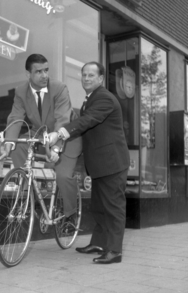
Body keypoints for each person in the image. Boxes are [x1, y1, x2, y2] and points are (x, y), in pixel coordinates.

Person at [48, 62, 130, 264]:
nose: (86, 78)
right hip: (101, 164)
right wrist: (60, 147)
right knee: (99, 207)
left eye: (91, 75)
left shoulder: (104, 98)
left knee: (113, 207)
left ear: (100, 79)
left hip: (112, 163)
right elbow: (84, 130)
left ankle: (114, 251)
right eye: (84, 75)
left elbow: (86, 122)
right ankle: (100, 243)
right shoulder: (89, 100)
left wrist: (60, 132)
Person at [0, 53, 82, 227]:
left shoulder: (59, 88)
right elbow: (15, 118)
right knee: (18, 145)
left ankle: (70, 215)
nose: (44, 75)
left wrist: (56, 148)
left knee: (63, 176)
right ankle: (27, 196)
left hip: (67, 135)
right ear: (28, 74)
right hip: (41, 133)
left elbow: (63, 119)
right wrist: (8, 144)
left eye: (46, 70)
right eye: (39, 71)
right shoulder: (21, 91)